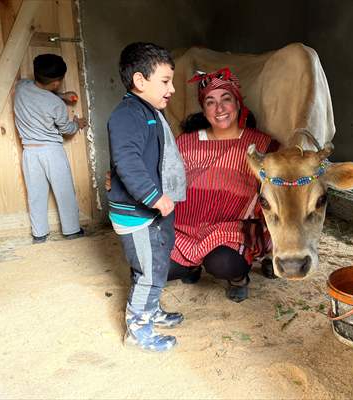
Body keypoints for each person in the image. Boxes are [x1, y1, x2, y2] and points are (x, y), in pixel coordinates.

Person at [167, 67, 277, 302]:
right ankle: (191, 265)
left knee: (224, 263)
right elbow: (163, 174)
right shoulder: (184, 142)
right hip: (184, 227)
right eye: (210, 102)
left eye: (226, 99)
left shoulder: (261, 145)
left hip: (232, 229)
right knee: (164, 269)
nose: (219, 109)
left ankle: (238, 279)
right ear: (203, 108)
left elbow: (282, 186)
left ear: (238, 103)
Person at [107, 42, 187, 353]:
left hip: (150, 211)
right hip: (139, 213)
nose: (172, 90)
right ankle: (138, 328)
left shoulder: (147, 111)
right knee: (149, 271)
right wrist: (153, 196)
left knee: (155, 263)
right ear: (140, 81)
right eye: (165, 82)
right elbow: (126, 159)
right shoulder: (128, 114)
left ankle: (151, 309)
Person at [14, 53, 88, 244]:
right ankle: (72, 230)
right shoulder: (56, 105)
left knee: (35, 194)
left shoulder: (21, 88)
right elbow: (67, 130)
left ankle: (39, 235)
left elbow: (36, 93)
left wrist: (60, 95)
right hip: (51, 151)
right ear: (56, 83)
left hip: (29, 151)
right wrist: (77, 123)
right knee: (64, 191)